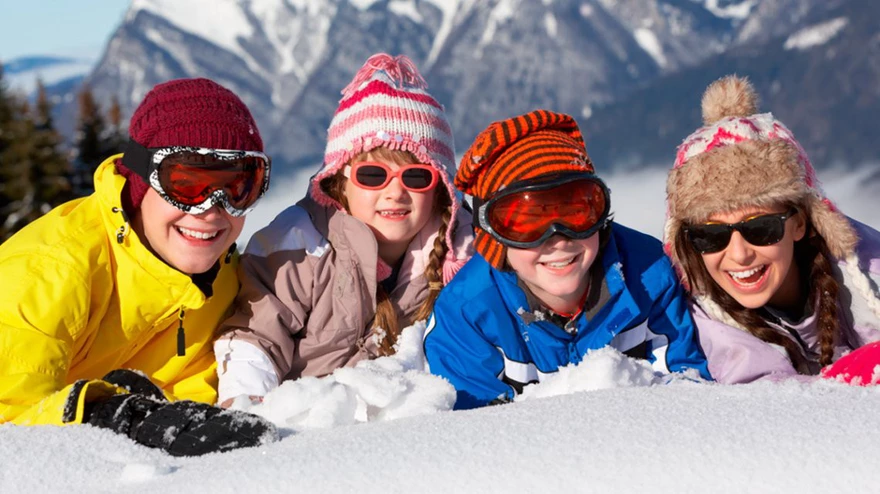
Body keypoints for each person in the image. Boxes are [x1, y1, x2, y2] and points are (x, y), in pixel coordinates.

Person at [0, 78, 278, 456]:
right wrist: (103, 414)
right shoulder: (48, 271)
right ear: (141, 181)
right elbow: (9, 427)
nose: (212, 209)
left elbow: (192, 391)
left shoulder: (220, 282)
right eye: (187, 183)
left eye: (238, 185)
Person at [214, 53, 473, 406]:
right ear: (340, 181)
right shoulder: (298, 248)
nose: (395, 192)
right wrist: (245, 408)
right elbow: (256, 336)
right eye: (372, 175)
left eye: (416, 177)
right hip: (303, 424)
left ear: (440, 187)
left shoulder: (459, 258)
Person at [423, 110, 711, 410]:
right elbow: (471, 432)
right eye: (527, 222)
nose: (558, 239)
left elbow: (686, 393)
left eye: (577, 211)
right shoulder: (469, 313)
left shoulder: (648, 277)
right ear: (494, 237)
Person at [664, 75, 880, 384]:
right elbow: (766, 403)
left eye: (761, 228)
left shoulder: (867, 270)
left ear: (800, 223)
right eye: (711, 236)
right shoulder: (702, 313)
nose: (739, 254)